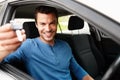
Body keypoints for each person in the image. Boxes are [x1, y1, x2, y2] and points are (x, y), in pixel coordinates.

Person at [0, 6, 93, 80]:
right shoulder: (27, 46)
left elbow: (78, 71)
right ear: (36, 25)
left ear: (56, 23)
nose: (48, 29)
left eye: (52, 23)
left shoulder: (65, 45)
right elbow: (3, 59)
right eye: (43, 24)